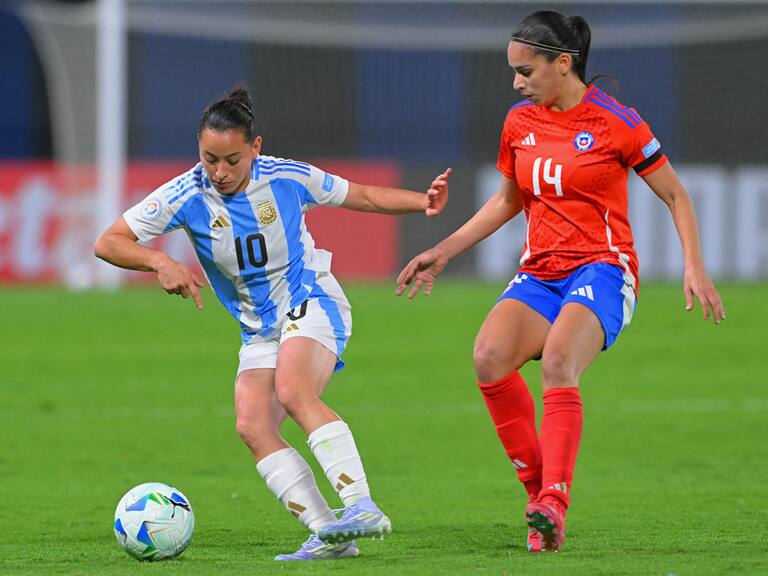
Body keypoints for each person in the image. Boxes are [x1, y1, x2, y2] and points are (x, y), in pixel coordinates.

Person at [396, 10, 724, 553]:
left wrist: (693, 264)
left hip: (603, 268)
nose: (516, 82)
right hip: (540, 272)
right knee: (488, 356)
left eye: (525, 71)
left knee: (557, 362)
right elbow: (507, 201)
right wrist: (443, 251)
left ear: (562, 64)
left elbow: (675, 194)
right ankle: (540, 500)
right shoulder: (519, 123)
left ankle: (554, 501)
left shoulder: (616, 122)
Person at [94, 85, 451, 561]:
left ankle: (361, 505)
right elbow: (109, 241)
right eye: (209, 158)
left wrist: (421, 202)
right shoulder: (185, 193)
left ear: (255, 149)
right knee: (252, 424)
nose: (219, 172)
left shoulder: (287, 177)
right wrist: (158, 262)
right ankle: (329, 535)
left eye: (231, 160)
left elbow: (359, 194)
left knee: (293, 389)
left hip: (311, 299)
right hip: (259, 329)